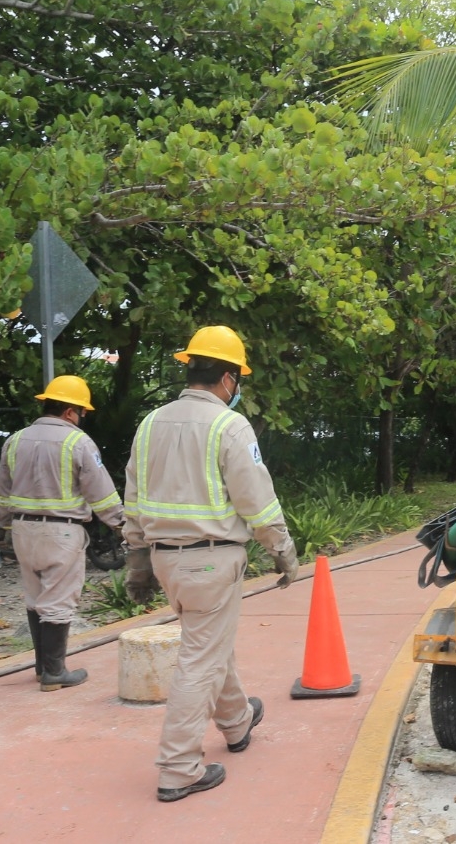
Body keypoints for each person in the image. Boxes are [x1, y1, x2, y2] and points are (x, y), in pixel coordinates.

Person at [122, 325, 299, 803]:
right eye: (237, 379)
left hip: (166, 562)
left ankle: (238, 720)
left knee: (208, 642)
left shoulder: (150, 423)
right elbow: (256, 499)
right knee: (199, 659)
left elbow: (133, 499)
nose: (236, 388)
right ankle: (178, 768)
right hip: (212, 561)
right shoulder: (229, 425)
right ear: (226, 378)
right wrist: (282, 549)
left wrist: (137, 558)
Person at [0, 375, 124, 691]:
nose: (82, 419)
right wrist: (122, 525)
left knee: (35, 595)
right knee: (58, 599)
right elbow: (102, 493)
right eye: (82, 413)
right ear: (70, 411)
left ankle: (42, 668)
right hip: (61, 533)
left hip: (22, 529)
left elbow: (3, 490)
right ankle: (55, 672)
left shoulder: (15, 440)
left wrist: (5, 523)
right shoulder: (77, 442)